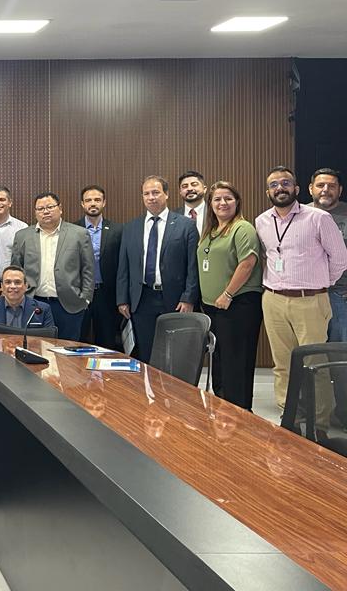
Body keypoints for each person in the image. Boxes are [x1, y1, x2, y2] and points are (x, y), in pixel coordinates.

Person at [255, 166, 347, 427]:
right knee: (282, 364)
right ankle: (291, 414)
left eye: (286, 183)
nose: (280, 188)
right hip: (273, 300)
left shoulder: (318, 218)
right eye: (274, 185)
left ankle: (319, 422)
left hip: (311, 301)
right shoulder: (261, 221)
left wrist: (319, 285)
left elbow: (340, 259)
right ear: (268, 191)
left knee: (315, 364)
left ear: (296, 189)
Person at [117, 176, 199, 360]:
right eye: (146, 193)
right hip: (142, 299)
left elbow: (192, 266)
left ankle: (172, 389)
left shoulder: (185, 225)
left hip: (175, 300)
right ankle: (147, 389)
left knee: (175, 355)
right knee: (146, 354)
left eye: (156, 192)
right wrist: (122, 299)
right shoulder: (131, 227)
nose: (151, 197)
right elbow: (124, 267)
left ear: (167, 194)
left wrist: (188, 298)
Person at [197, 181, 263, 411]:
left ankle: (241, 414)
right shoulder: (211, 231)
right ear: (210, 204)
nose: (222, 203)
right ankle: (224, 412)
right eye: (217, 199)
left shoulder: (242, 228)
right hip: (215, 309)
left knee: (237, 363)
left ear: (237, 202)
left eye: (228, 198)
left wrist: (227, 293)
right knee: (221, 363)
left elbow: (247, 263)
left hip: (238, 305)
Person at [10, 191, 94, 342]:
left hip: (69, 305)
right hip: (34, 303)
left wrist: (85, 299)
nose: (45, 211)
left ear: (60, 208)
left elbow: (88, 269)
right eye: (40, 209)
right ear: (35, 212)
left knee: (67, 352)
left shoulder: (79, 234)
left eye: (50, 207)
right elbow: (16, 270)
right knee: (35, 348)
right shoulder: (23, 235)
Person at [308, 167, 347, 425]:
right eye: (320, 185)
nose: (325, 190)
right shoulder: (299, 214)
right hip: (309, 296)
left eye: (331, 186)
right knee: (312, 356)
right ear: (311, 188)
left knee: (340, 357)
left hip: (341, 296)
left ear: (339, 190)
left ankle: (342, 414)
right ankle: (312, 411)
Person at [76, 185, 123, 349]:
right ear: (82, 204)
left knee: (108, 342)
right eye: (88, 200)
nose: (93, 203)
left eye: (97, 200)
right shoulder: (72, 230)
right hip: (80, 294)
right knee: (78, 340)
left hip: (107, 295)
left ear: (104, 203)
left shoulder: (118, 230)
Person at [0, 265, 56, 333]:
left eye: (17, 282)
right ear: (2, 286)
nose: (13, 286)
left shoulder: (43, 309)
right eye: (8, 282)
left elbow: (49, 341)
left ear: (26, 286)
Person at [179, 170, 207, 236]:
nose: (189, 188)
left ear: (204, 189)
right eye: (185, 186)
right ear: (180, 192)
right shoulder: (173, 216)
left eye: (194, 185)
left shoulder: (215, 212)